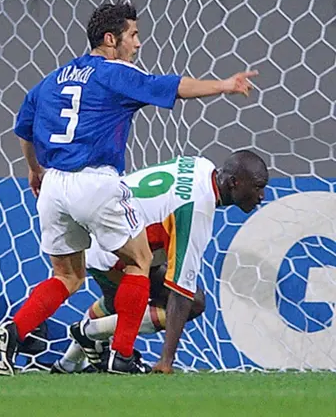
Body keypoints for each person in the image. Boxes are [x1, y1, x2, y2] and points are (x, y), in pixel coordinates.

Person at [0, 0, 258, 375]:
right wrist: (224, 85)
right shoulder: (115, 73)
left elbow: (24, 127)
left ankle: (14, 331)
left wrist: (34, 172)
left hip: (53, 186)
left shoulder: (53, 79)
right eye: (132, 35)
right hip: (96, 181)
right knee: (139, 263)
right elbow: (173, 87)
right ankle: (122, 354)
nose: (137, 44)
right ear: (110, 39)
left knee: (66, 276)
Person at [53, 151, 268, 374]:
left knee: (116, 302)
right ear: (234, 182)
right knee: (192, 302)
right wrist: (166, 360)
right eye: (258, 187)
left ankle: (67, 363)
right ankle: (90, 332)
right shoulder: (197, 208)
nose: (262, 195)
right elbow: (181, 292)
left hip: (100, 232)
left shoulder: (201, 165)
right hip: (115, 249)